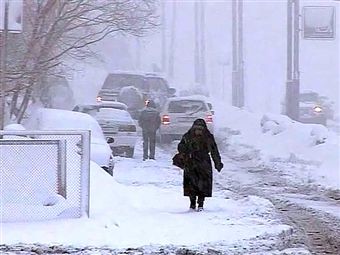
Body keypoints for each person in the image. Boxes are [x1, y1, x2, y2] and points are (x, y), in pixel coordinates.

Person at [175, 118, 223, 211]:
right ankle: (192, 203)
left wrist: (218, 163)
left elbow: (214, 151)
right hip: (191, 162)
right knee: (191, 184)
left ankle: (201, 203)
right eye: (196, 129)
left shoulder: (208, 137)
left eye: (200, 129)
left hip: (203, 163)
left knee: (203, 185)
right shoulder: (187, 136)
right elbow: (180, 147)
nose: (198, 131)